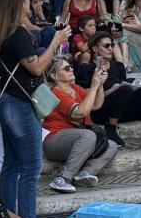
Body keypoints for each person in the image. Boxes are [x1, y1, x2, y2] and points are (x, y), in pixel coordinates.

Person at [0, 0, 70, 218]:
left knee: (12, 165)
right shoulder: (17, 33)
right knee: (31, 166)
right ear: (18, 2)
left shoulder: (0, 32)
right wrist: (56, 41)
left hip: (6, 102)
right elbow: (36, 67)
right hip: (20, 105)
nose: (30, 2)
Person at [76, 32, 141, 150]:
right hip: (101, 112)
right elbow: (85, 96)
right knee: (124, 89)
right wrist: (111, 90)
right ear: (95, 48)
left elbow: (125, 90)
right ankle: (111, 129)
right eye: (106, 46)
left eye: (112, 45)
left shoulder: (117, 66)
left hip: (120, 111)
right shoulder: (86, 69)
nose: (110, 49)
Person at [42, 57, 117, 193]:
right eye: (66, 68)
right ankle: (63, 178)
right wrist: (94, 86)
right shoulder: (55, 92)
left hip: (78, 139)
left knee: (111, 145)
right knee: (89, 135)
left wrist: (99, 85)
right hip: (55, 141)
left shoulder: (74, 88)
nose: (71, 69)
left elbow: (96, 105)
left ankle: (84, 173)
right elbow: (80, 112)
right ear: (54, 75)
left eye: (70, 66)